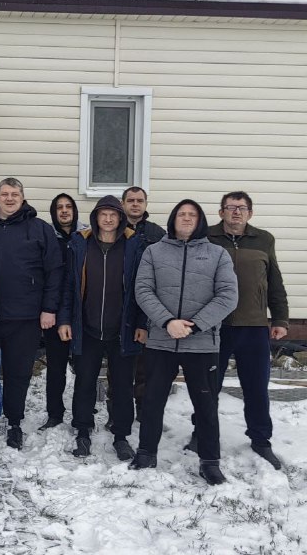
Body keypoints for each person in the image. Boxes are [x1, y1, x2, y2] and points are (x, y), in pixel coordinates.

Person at [132, 200, 238, 485]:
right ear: (173, 219)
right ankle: (146, 453)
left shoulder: (217, 254)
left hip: (202, 344)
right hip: (160, 341)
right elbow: (143, 290)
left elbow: (228, 295)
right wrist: (168, 322)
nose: (187, 218)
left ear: (200, 220)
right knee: (152, 401)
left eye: (193, 215)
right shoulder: (154, 252)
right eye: (182, 214)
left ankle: (210, 462)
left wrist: (196, 325)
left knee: (205, 405)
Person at [0, 178, 63, 450]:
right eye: (5, 194)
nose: (9, 199)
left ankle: (14, 423)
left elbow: (54, 270)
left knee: (17, 373)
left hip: (25, 316)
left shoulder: (39, 229)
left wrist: (49, 308)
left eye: (15, 194)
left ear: (23, 198)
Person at [58, 195, 146, 461]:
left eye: (113, 215)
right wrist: (65, 320)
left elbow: (142, 288)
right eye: (103, 214)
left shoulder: (134, 245)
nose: (108, 219)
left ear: (120, 218)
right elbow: (69, 286)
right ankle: (83, 431)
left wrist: (141, 324)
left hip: (122, 328)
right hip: (87, 327)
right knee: (84, 382)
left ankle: (121, 436)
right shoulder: (81, 243)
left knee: (122, 385)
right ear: (95, 217)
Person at [207, 191, 289, 470]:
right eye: (230, 207)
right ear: (221, 212)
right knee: (208, 386)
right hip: (215, 326)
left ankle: (261, 439)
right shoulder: (206, 237)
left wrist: (280, 319)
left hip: (253, 326)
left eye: (242, 208)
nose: (236, 212)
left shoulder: (264, 239)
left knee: (256, 387)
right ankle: (201, 433)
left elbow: (274, 281)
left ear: (250, 213)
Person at [117, 186, 166, 427]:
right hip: (119, 304)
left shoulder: (158, 233)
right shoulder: (113, 228)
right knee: (119, 364)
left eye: (139, 200)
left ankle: (144, 411)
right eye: (131, 200)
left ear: (146, 204)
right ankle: (116, 410)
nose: (135, 204)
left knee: (146, 365)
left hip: (149, 305)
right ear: (123, 204)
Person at [39, 193, 87, 431]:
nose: (65, 211)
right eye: (59, 207)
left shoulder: (86, 236)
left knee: (84, 367)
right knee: (56, 368)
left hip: (82, 313)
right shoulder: (47, 237)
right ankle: (54, 413)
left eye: (69, 207)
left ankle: (83, 410)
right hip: (54, 311)